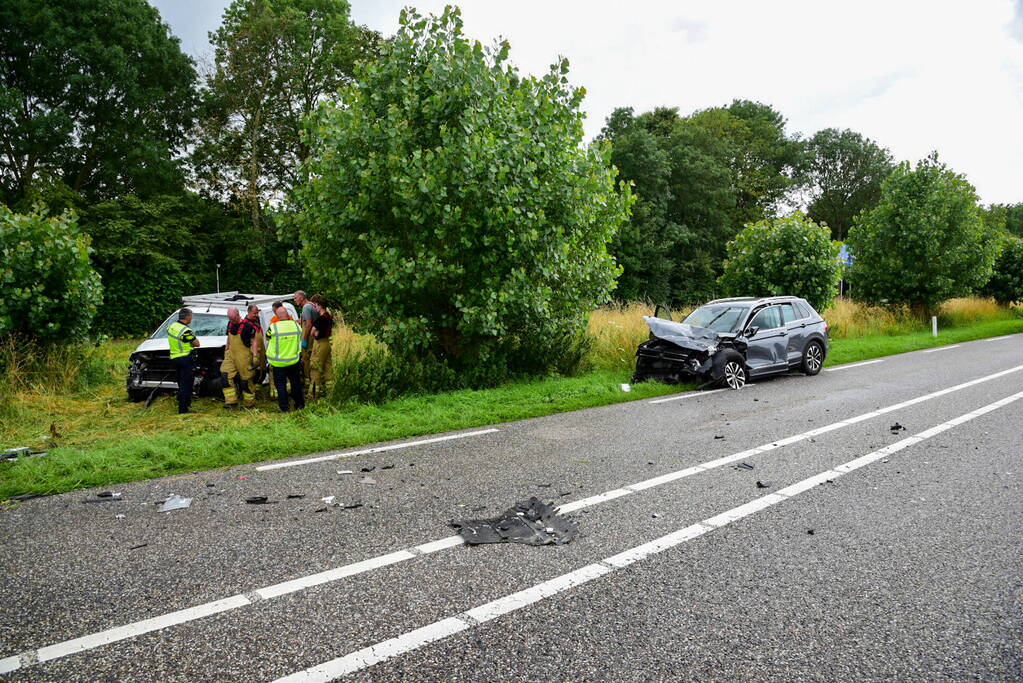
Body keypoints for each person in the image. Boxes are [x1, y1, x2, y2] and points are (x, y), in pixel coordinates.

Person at [266, 303, 305, 412]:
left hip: (278, 362)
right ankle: (300, 404)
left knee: (281, 386)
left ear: (277, 316)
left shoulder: (273, 327)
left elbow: (267, 337)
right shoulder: (296, 326)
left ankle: (285, 408)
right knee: (295, 383)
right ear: (288, 314)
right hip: (293, 360)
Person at [220, 307, 258, 408]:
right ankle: (231, 401)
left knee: (245, 380)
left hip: (244, 357)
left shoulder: (248, 326)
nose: (231, 321)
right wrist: (227, 349)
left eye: (233, 318)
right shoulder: (230, 324)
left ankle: (249, 403)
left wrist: (255, 356)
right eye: (229, 318)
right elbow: (228, 337)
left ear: (238, 315)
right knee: (225, 375)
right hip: (231, 355)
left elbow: (254, 341)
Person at [167, 308, 200, 414]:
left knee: (181, 383)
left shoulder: (172, 326)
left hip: (175, 358)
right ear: (188, 317)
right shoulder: (185, 331)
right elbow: (197, 344)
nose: (192, 318)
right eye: (191, 316)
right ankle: (183, 410)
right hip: (185, 359)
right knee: (186, 385)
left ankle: (183, 404)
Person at [308, 294, 333, 398]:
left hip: (319, 344)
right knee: (328, 367)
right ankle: (331, 391)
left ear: (320, 305)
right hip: (327, 344)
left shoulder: (320, 319)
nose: (315, 308)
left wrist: (316, 333)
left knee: (315, 367)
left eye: (316, 305)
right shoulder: (329, 317)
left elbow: (312, 333)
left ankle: (313, 393)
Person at [294, 290, 317, 382]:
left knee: (306, 359)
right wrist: (300, 320)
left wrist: (305, 339)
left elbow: (308, 325)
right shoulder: (310, 305)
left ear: (301, 297)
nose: (294, 300)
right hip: (313, 336)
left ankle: (308, 380)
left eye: (295, 297)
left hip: (309, 337)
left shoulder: (306, 307)